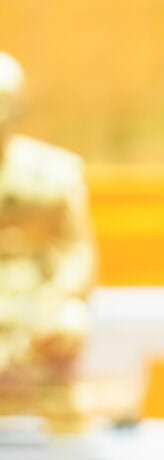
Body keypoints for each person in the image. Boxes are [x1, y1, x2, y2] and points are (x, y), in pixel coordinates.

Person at [0, 52, 94, 386]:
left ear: (17, 109)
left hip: (35, 298)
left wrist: (54, 297)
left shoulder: (54, 174)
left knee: (68, 325)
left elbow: (75, 253)